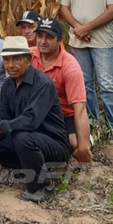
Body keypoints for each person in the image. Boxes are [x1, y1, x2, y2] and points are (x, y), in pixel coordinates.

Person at [0, 36, 72, 203]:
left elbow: (30, 121)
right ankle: (28, 168)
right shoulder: (9, 85)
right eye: (6, 60)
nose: (10, 65)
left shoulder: (42, 84)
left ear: (28, 60)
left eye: (16, 59)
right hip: (27, 140)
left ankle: (42, 187)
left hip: (53, 144)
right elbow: (4, 117)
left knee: (22, 138)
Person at [59, 0, 113, 143]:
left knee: (106, 84)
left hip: (102, 41)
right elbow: (63, 8)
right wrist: (78, 27)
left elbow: (112, 9)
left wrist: (87, 28)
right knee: (85, 86)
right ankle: (94, 123)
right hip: (78, 42)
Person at [30, 18, 92, 163]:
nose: (43, 41)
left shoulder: (70, 66)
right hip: (36, 113)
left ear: (60, 39)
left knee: (74, 144)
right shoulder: (29, 56)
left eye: (49, 37)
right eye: (40, 36)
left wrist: (83, 148)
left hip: (63, 116)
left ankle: (85, 138)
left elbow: (80, 108)